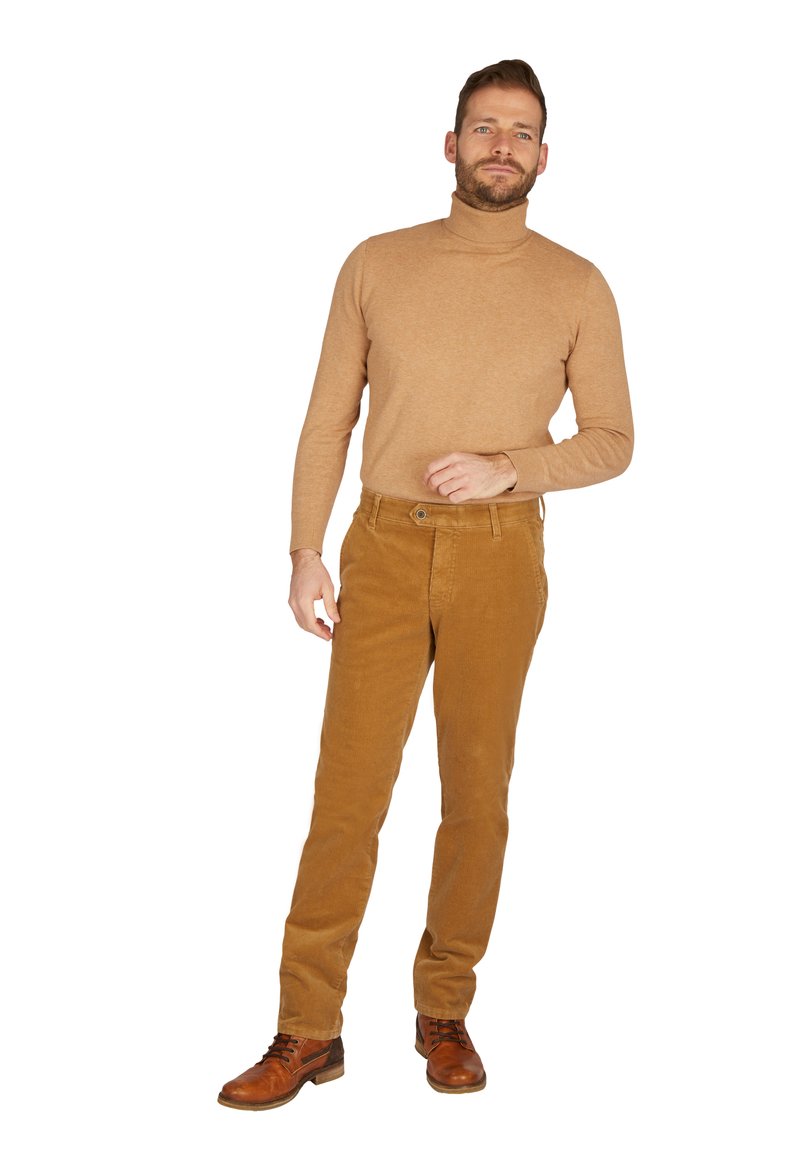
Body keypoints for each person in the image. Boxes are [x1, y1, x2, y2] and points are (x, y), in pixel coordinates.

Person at [218, 58, 633, 1111]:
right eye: (484, 126)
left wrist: (509, 468)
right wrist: (304, 549)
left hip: (501, 552)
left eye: (521, 131)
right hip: (384, 549)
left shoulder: (577, 284)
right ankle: (307, 1028)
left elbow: (612, 440)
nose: (502, 144)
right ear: (449, 144)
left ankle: (443, 1009)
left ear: (545, 156)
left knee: (476, 797)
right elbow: (328, 418)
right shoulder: (376, 263)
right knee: (347, 795)